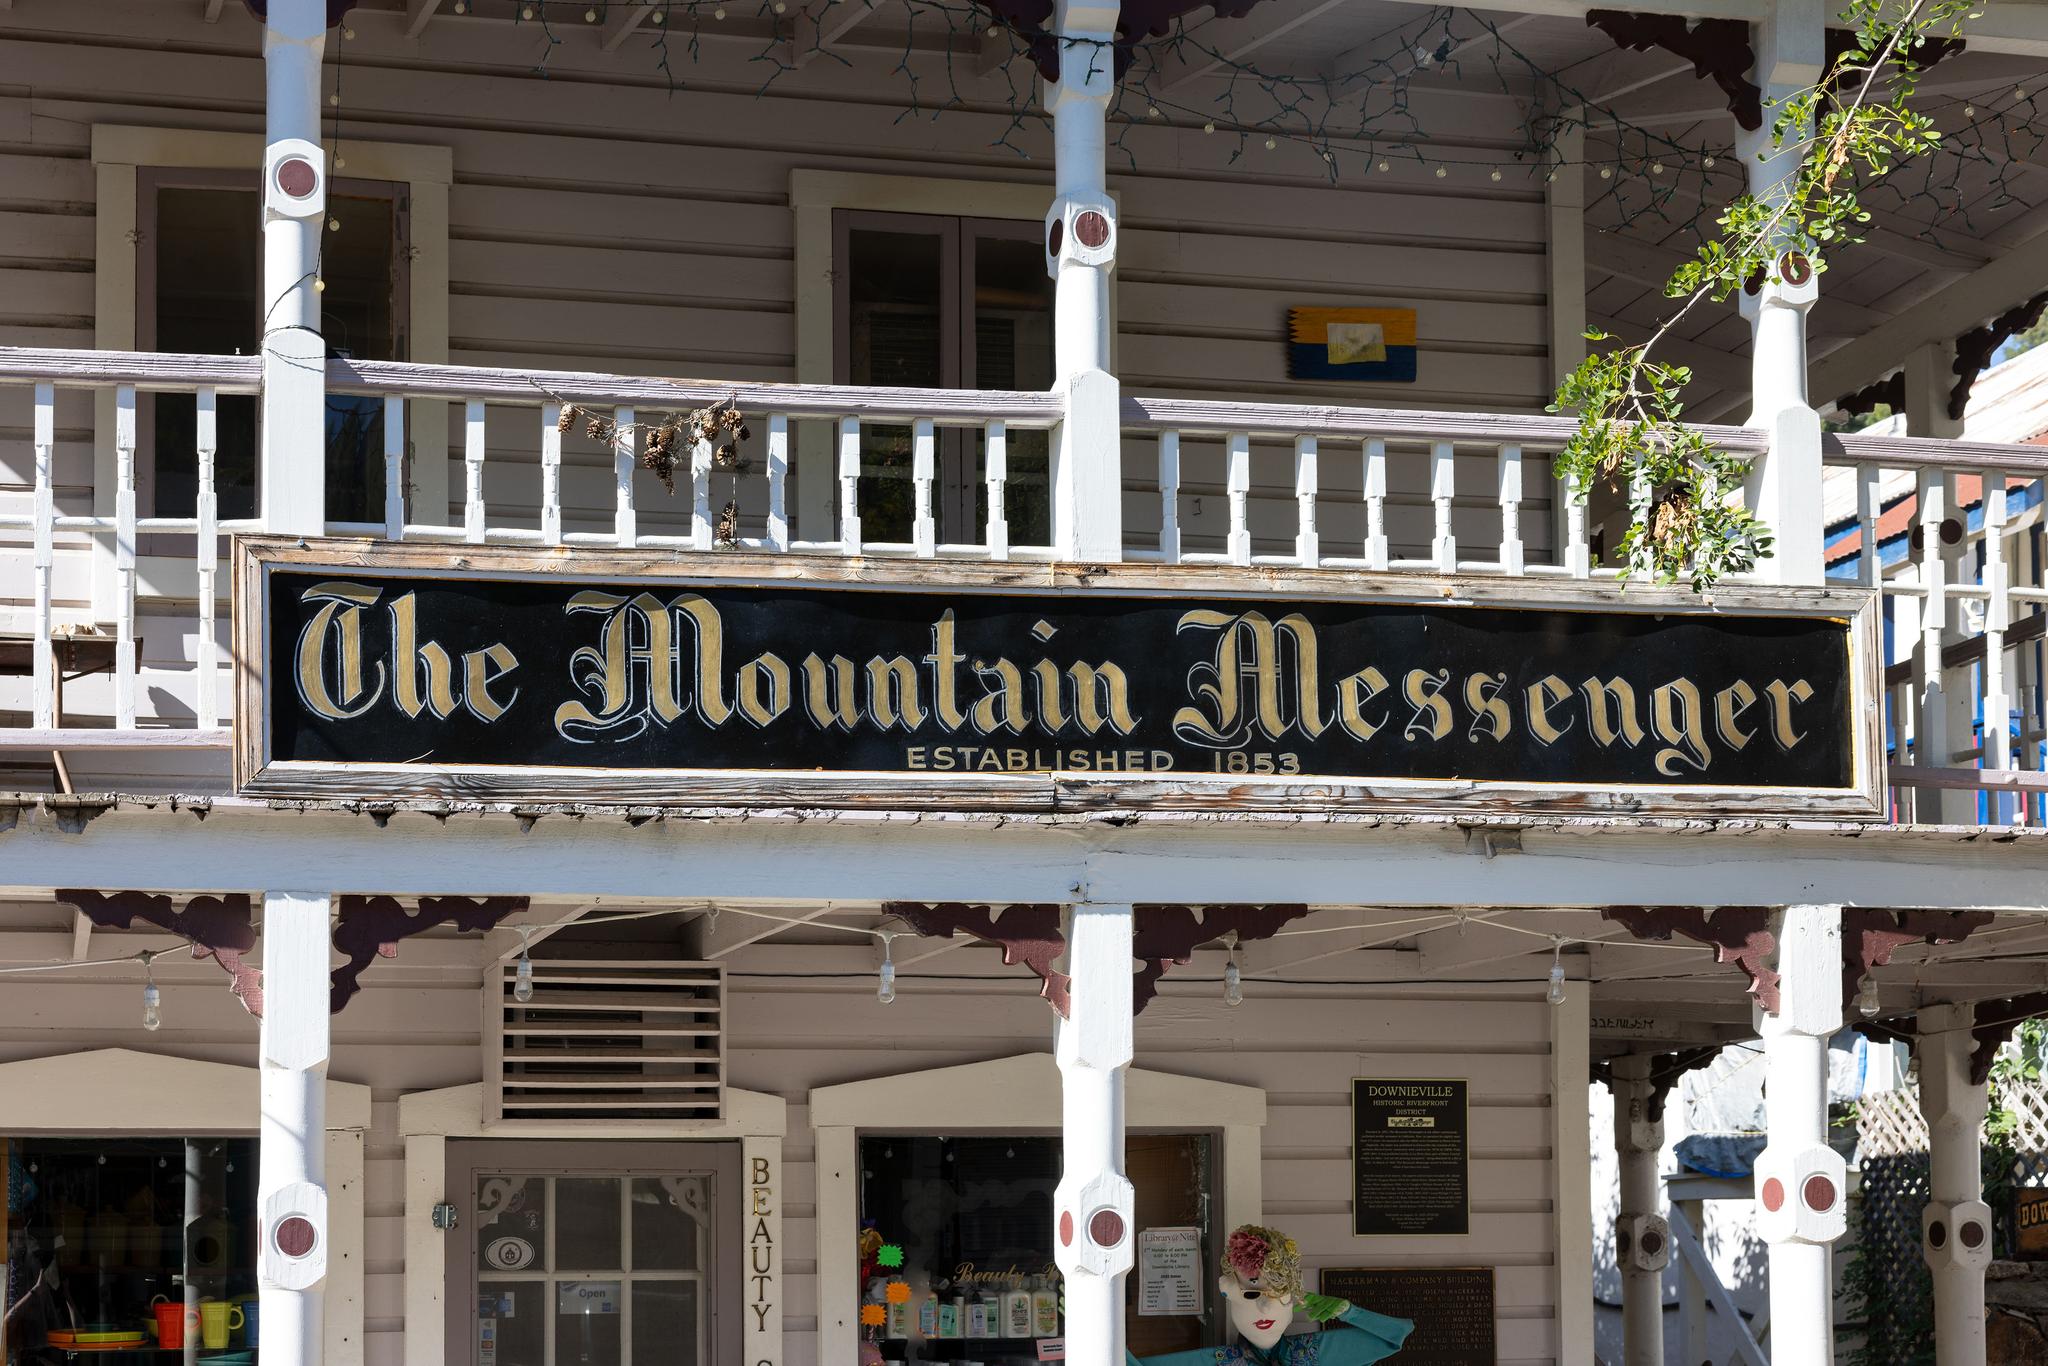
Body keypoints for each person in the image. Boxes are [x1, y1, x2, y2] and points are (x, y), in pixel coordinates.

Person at [1125, 1224, 1411, 1366]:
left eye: (1276, 1294)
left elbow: (1393, 1337)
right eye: (1251, 1295)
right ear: (1229, 1292)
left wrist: (1348, 1311)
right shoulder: (1219, 1361)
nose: (1263, 1308)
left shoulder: (1311, 1356)